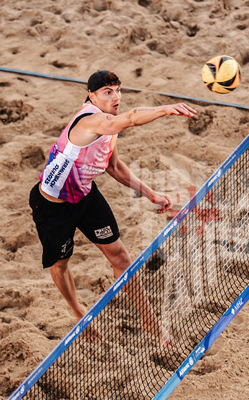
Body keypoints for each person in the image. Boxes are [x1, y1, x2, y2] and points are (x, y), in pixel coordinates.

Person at [29, 69, 196, 327]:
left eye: (118, 90)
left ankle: (152, 323)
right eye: (108, 92)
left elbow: (113, 166)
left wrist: (151, 194)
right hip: (53, 206)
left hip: (85, 196)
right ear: (91, 96)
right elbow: (131, 118)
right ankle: (78, 310)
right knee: (61, 264)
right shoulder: (89, 121)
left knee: (120, 256)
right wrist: (165, 109)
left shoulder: (109, 123)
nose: (115, 97)